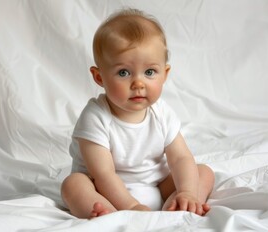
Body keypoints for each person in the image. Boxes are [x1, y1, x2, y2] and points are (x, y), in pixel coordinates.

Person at [61, 8, 215, 219]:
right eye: (123, 73)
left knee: (202, 172)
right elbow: (103, 174)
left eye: (150, 72)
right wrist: (132, 206)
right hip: (105, 192)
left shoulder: (161, 113)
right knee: (73, 185)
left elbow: (180, 158)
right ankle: (110, 215)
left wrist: (187, 191)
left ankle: (178, 205)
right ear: (99, 77)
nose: (138, 83)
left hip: (156, 185)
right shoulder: (95, 117)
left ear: (165, 73)